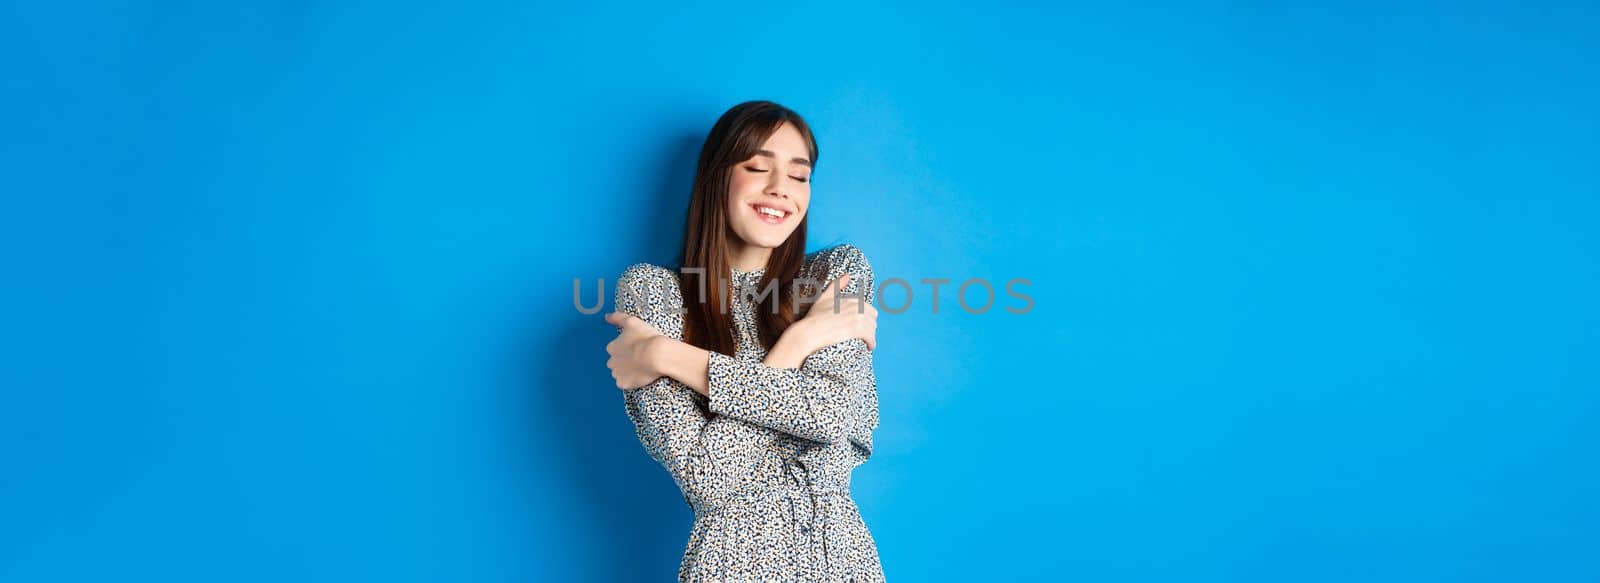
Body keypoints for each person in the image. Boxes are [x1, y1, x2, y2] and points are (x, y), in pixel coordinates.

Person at [603, 100, 885, 581]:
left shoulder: (835, 273)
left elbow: (832, 413)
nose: (781, 189)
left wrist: (665, 354)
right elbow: (708, 476)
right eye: (757, 167)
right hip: (731, 564)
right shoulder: (654, 291)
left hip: (843, 561)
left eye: (799, 176)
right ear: (717, 178)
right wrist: (797, 345)